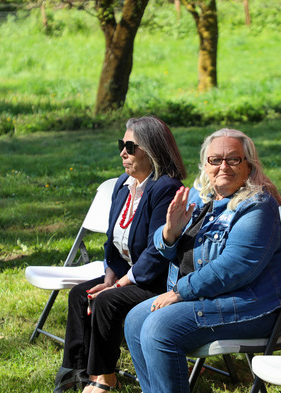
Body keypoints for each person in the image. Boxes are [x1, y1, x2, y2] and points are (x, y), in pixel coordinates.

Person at [123, 129, 281, 393]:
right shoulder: (199, 195)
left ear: (249, 165)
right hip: (208, 297)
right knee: (135, 320)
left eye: (233, 159)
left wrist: (181, 292)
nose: (223, 166)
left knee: (158, 328)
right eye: (215, 160)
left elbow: (234, 268)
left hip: (251, 306)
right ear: (205, 165)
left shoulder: (258, 206)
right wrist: (170, 231)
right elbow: (166, 249)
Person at [53, 116, 186, 393]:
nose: (123, 152)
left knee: (108, 301)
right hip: (126, 273)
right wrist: (110, 275)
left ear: (152, 151)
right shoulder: (124, 184)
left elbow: (156, 253)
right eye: (121, 145)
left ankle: (105, 376)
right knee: (80, 294)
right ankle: (76, 370)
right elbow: (112, 240)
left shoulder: (165, 188)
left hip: (156, 281)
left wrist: (118, 284)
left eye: (130, 146)